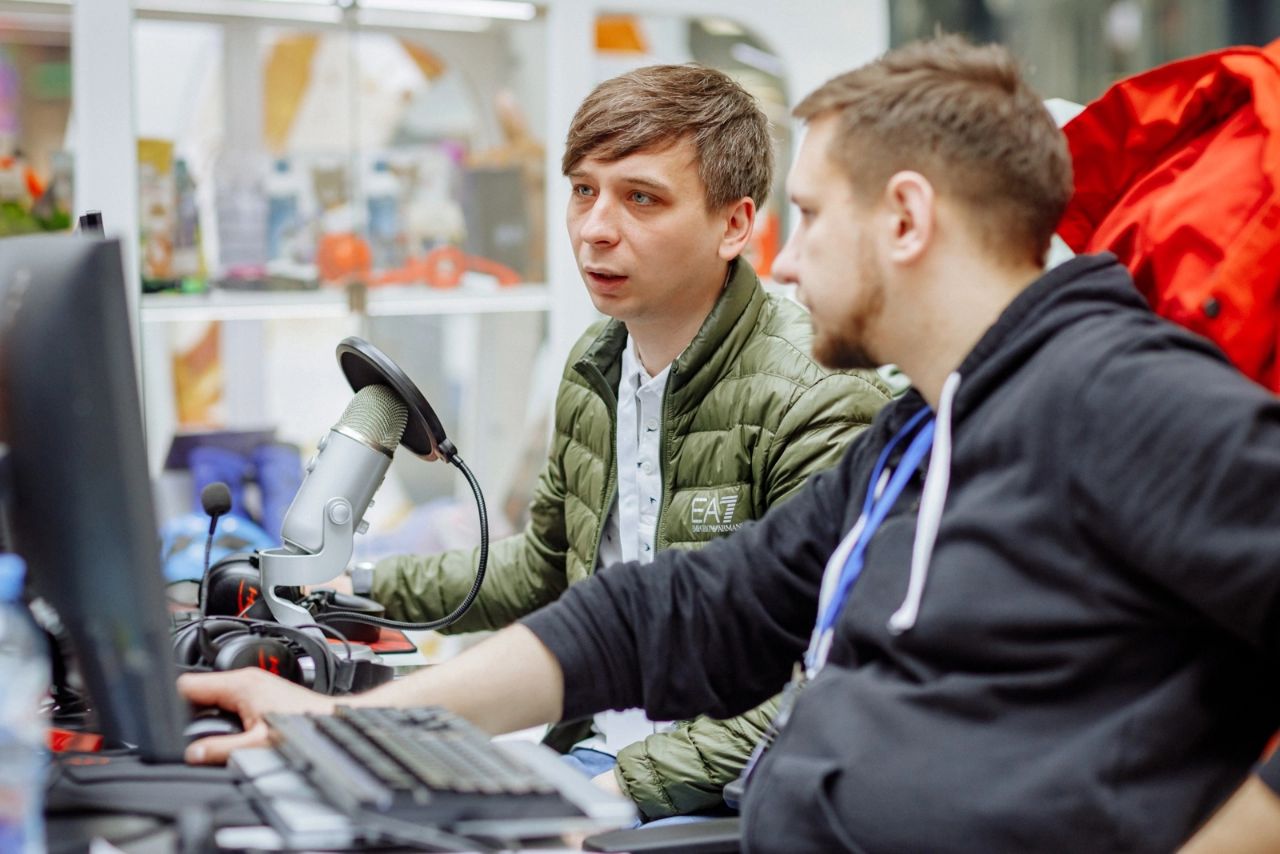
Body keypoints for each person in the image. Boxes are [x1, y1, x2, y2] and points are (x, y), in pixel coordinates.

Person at [181, 35, 1280, 851]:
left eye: (810, 216)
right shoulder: (921, 433)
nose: (785, 263)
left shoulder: (1118, 397)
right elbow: (676, 612)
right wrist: (349, 722)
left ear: (904, 219)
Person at [334, 63, 891, 820]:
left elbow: (812, 685)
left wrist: (614, 791)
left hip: (720, 795)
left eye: (641, 198)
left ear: (735, 226)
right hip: (592, 751)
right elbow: (545, 569)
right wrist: (359, 591)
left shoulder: (816, 395)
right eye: (583, 191)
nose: (596, 228)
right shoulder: (595, 365)